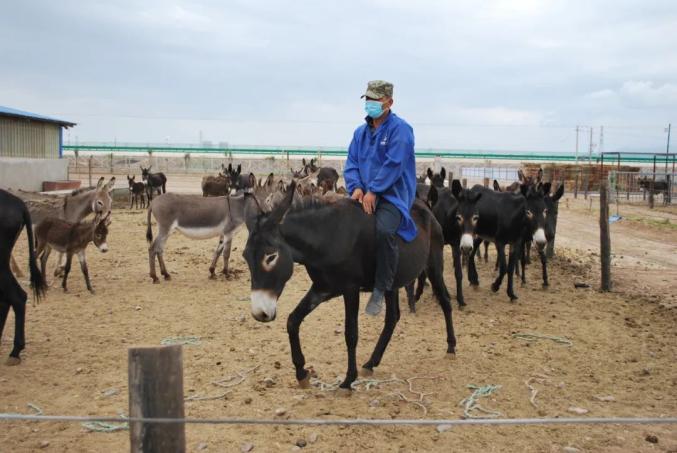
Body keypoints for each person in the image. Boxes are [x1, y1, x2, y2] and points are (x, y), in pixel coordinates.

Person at [344, 80, 417, 316]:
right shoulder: (360, 133)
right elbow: (352, 163)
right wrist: (355, 187)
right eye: (368, 99)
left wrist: (374, 190)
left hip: (392, 195)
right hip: (362, 193)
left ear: (389, 102)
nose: (371, 104)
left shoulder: (401, 130)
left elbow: (394, 164)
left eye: (376, 100)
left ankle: (381, 288)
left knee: (385, 231)